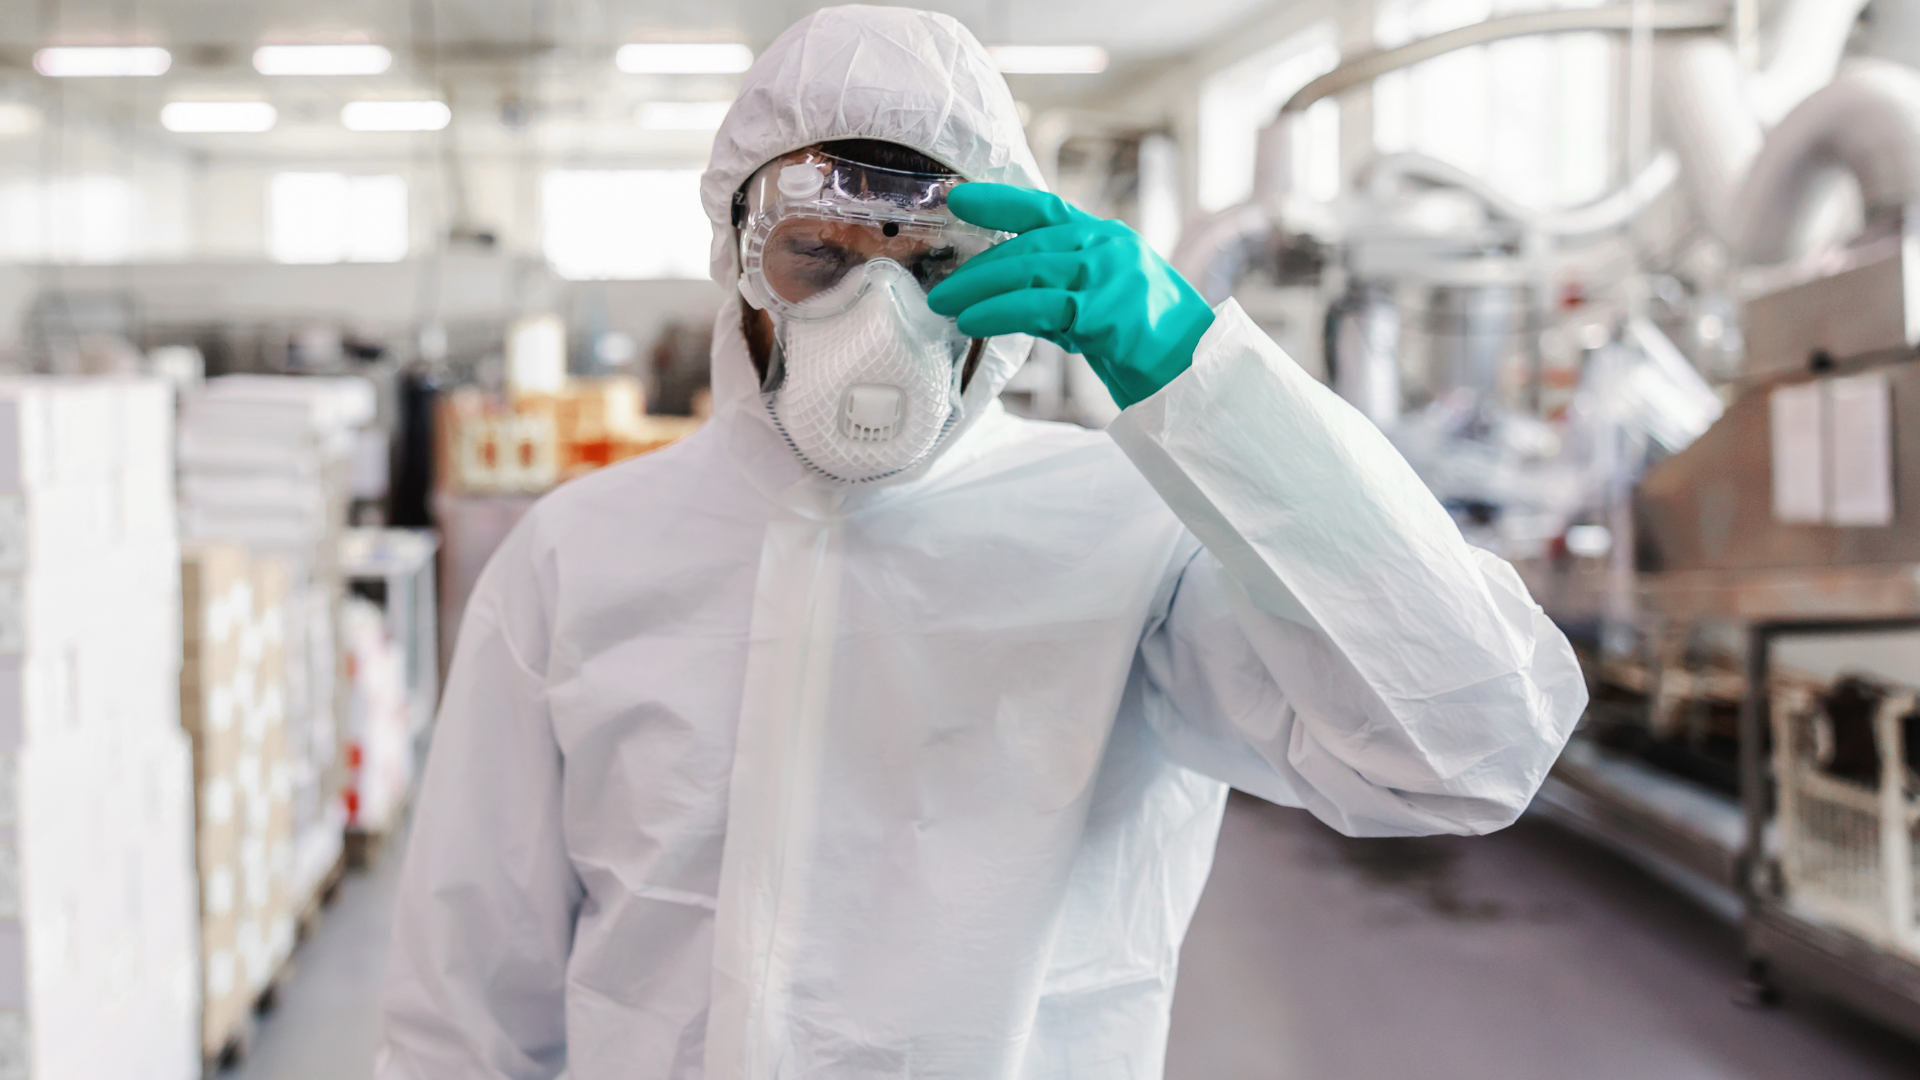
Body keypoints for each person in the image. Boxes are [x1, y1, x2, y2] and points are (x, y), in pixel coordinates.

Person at [377, 6, 1587, 1079]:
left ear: (1002, 269)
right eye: (822, 255)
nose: (878, 308)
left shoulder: (1131, 534)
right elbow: (470, 992)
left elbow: (1474, 747)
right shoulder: (582, 555)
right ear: (739, 262)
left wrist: (1207, 387)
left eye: (932, 258)